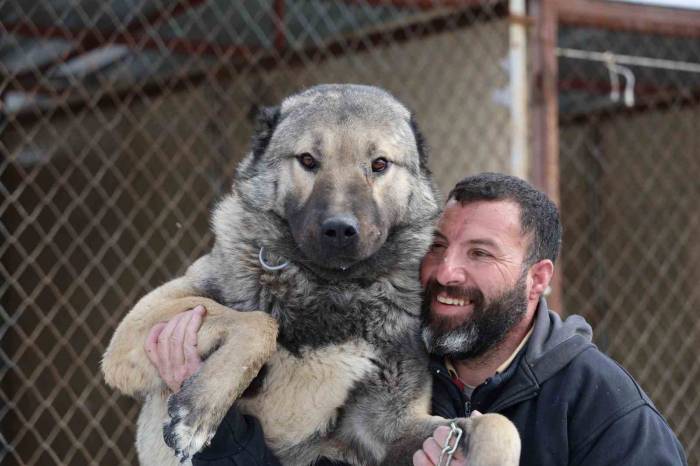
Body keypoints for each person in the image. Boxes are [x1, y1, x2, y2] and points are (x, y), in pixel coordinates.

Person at [146, 173, 687, 466]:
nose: (446, 271)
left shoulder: (602, 408)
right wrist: (213, 425)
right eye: (438, 245)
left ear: (538, 278)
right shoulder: (383, 363)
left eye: (480, 254)